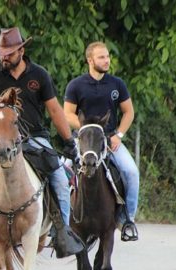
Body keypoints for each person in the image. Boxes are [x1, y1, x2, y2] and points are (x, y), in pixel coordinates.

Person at [0, 27, 83, 258]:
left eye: (8, 53)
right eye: (1, 53)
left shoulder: (39, 75)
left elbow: (54, 110)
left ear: (21, 50)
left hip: (36, 138)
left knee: (60, 180)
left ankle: (63, 233)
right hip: (0, 138)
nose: (3, 57)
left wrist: (69, 140)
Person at [64, 41, 139, 241]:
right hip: (84, 141)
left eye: (107, 57)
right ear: (90, 60)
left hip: (110, 140)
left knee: (131, 172)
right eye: (101, 57)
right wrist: (86, 130)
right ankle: (60, 224)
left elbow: (128, 112)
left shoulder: (117, 84)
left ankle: (127, 220)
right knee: (61, 174)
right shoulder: (76, 85)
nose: (106, 61)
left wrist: (119, 135)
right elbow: (68, 114)